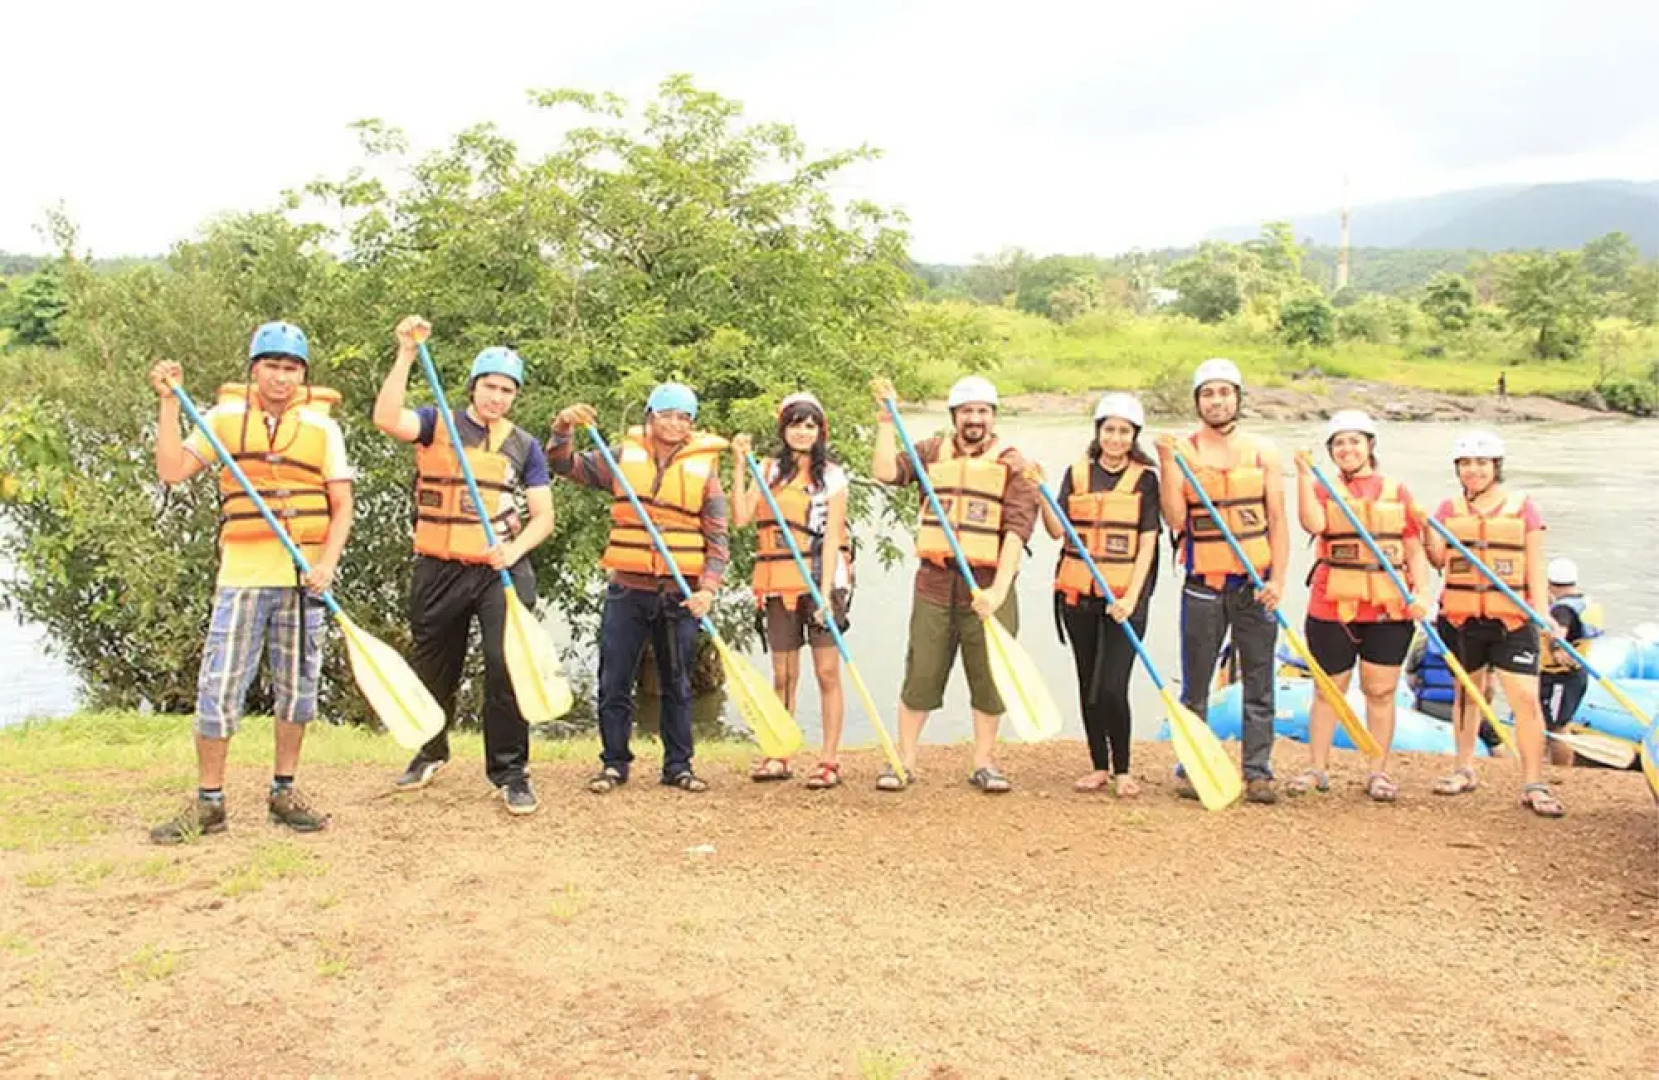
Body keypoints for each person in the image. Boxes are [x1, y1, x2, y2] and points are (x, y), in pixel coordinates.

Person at [146, 322, 353, 843]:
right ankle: (210, 802)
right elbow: (172, 470)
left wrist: (327, 563)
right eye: (271, 366)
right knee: (218, 689)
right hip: (241, 577)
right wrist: (169, 403)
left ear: (303, 375)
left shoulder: (323, 429)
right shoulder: (219, 418)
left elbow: (343, 505)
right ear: (254, 369)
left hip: (304, 579)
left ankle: (283, 792)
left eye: (291, 369)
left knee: (298, 692)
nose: (281, 378)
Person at [374, 317, 554, 815]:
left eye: (507, 390)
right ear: (474, 387)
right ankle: (430, 750)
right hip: (439, 565)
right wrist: (407, 354)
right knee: (434, 662)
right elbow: (387, 418)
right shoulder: (438, 423)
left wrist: (513, 553)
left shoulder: (525, 446)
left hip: (499, 569)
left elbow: (543, 517)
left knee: (506, 664)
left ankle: (511, 771)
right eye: (490, 386)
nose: (497, 397)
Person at [548, 384, 728, 794]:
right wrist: (563, 427)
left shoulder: (706, 474)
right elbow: (562, 464)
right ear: (650, 416)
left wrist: (709, 590)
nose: (675, 423)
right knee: (615, 679)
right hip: (628, 589)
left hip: (680, 592)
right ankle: (614, 764)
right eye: (667, 414)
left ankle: (678, 765)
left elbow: (718, 540)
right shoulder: (618, 459)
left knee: (677, 682)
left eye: (684, 418)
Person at [870, 374, 1039, 794]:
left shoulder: (1013, 462)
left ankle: (983, 762)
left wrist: (998, 591)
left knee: (988, 678)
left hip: (987, 586)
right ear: (955, 416)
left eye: (982, 411)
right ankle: (904, 759)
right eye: (967, 411)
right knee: (922, 672)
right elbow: (885, 471)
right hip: (934, 581)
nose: (975, 418)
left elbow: (1017, 531)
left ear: (993, 417)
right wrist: (887, 422)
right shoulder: (929, 451)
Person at [1156, 358, 1289, 804]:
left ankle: (1258, 770)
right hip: (1203, 585)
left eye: (1224, 393)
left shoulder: (1264, 454)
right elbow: (1175, 518)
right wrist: (1165, 462)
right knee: (1196, 684)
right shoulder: (1182, 451)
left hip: (1254, 586)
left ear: (1237, 398)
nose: (1217, 401)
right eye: (1208, 394)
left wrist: (1279, 582)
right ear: (1198, 402)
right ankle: (1195, 765)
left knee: (1259, 679)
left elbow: (1278, 524)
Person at [1289, 410, 1432, 802]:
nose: (1347, 449)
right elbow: (1314, 524)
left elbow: (1414, 550)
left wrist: (1421, 593)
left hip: (1388, 609)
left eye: (1354, 441)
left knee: (1381, 691)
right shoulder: (1322, 487)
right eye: (1339, 443)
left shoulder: (1396, 491)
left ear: (1370, 445)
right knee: (1327, 690)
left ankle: (1378, 771)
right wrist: (1303, 474)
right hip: (1332, 606)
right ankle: (1317, 767)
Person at [1424, 428, 1563, 816]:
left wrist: (1543, 611)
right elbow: (1438, 561)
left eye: (1481, 464)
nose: (1473, 471)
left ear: (1496, 467)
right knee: (1468, 694)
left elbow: (1535, 563)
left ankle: (1534, 781)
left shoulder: (1523, 507)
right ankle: (1464, 768)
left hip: (1512, 620)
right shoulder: (1448, 509)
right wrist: (1424, 535)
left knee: (1525, 699)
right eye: (1466, 464)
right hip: (1463, 618)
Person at [1039, 392, 1162, 797]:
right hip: (1079, 599)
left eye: (1124, 431)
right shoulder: (1076, 475)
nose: (1115, 438)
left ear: (1134, 436)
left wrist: (1132, 598)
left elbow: (1147, 544)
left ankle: (1123, 768)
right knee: (1088, 682)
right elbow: (1057, 531)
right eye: (1109, 429)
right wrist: (1039, 490)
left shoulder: (1146, 479)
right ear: (1098, 432)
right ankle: (1098, 765)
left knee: (1112, 686)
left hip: (1123, 601)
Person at [730, 393, 853, 789]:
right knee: (783, 674)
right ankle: (779, 752)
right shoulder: (766, 470)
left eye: (810, 425)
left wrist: (822, 594)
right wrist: (737, 466)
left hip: (821, 582)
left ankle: (829, 759)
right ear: (783, 430)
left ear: (820, 431)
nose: (803, 432)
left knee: (827, 671)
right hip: (778, 582)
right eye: (796, 424)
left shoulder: (832, 477)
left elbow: (833, 536)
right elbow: (741, 517)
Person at [1538, 556, 1604, 763]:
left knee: (1556, 728)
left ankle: (1559, 771)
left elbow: (1560, 631)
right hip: (1576, 674)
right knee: (1558, 723)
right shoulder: (1584, 602)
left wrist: (1556, 648)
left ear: (1550, 583)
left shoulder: (1562, 610)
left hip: (1559, 677)